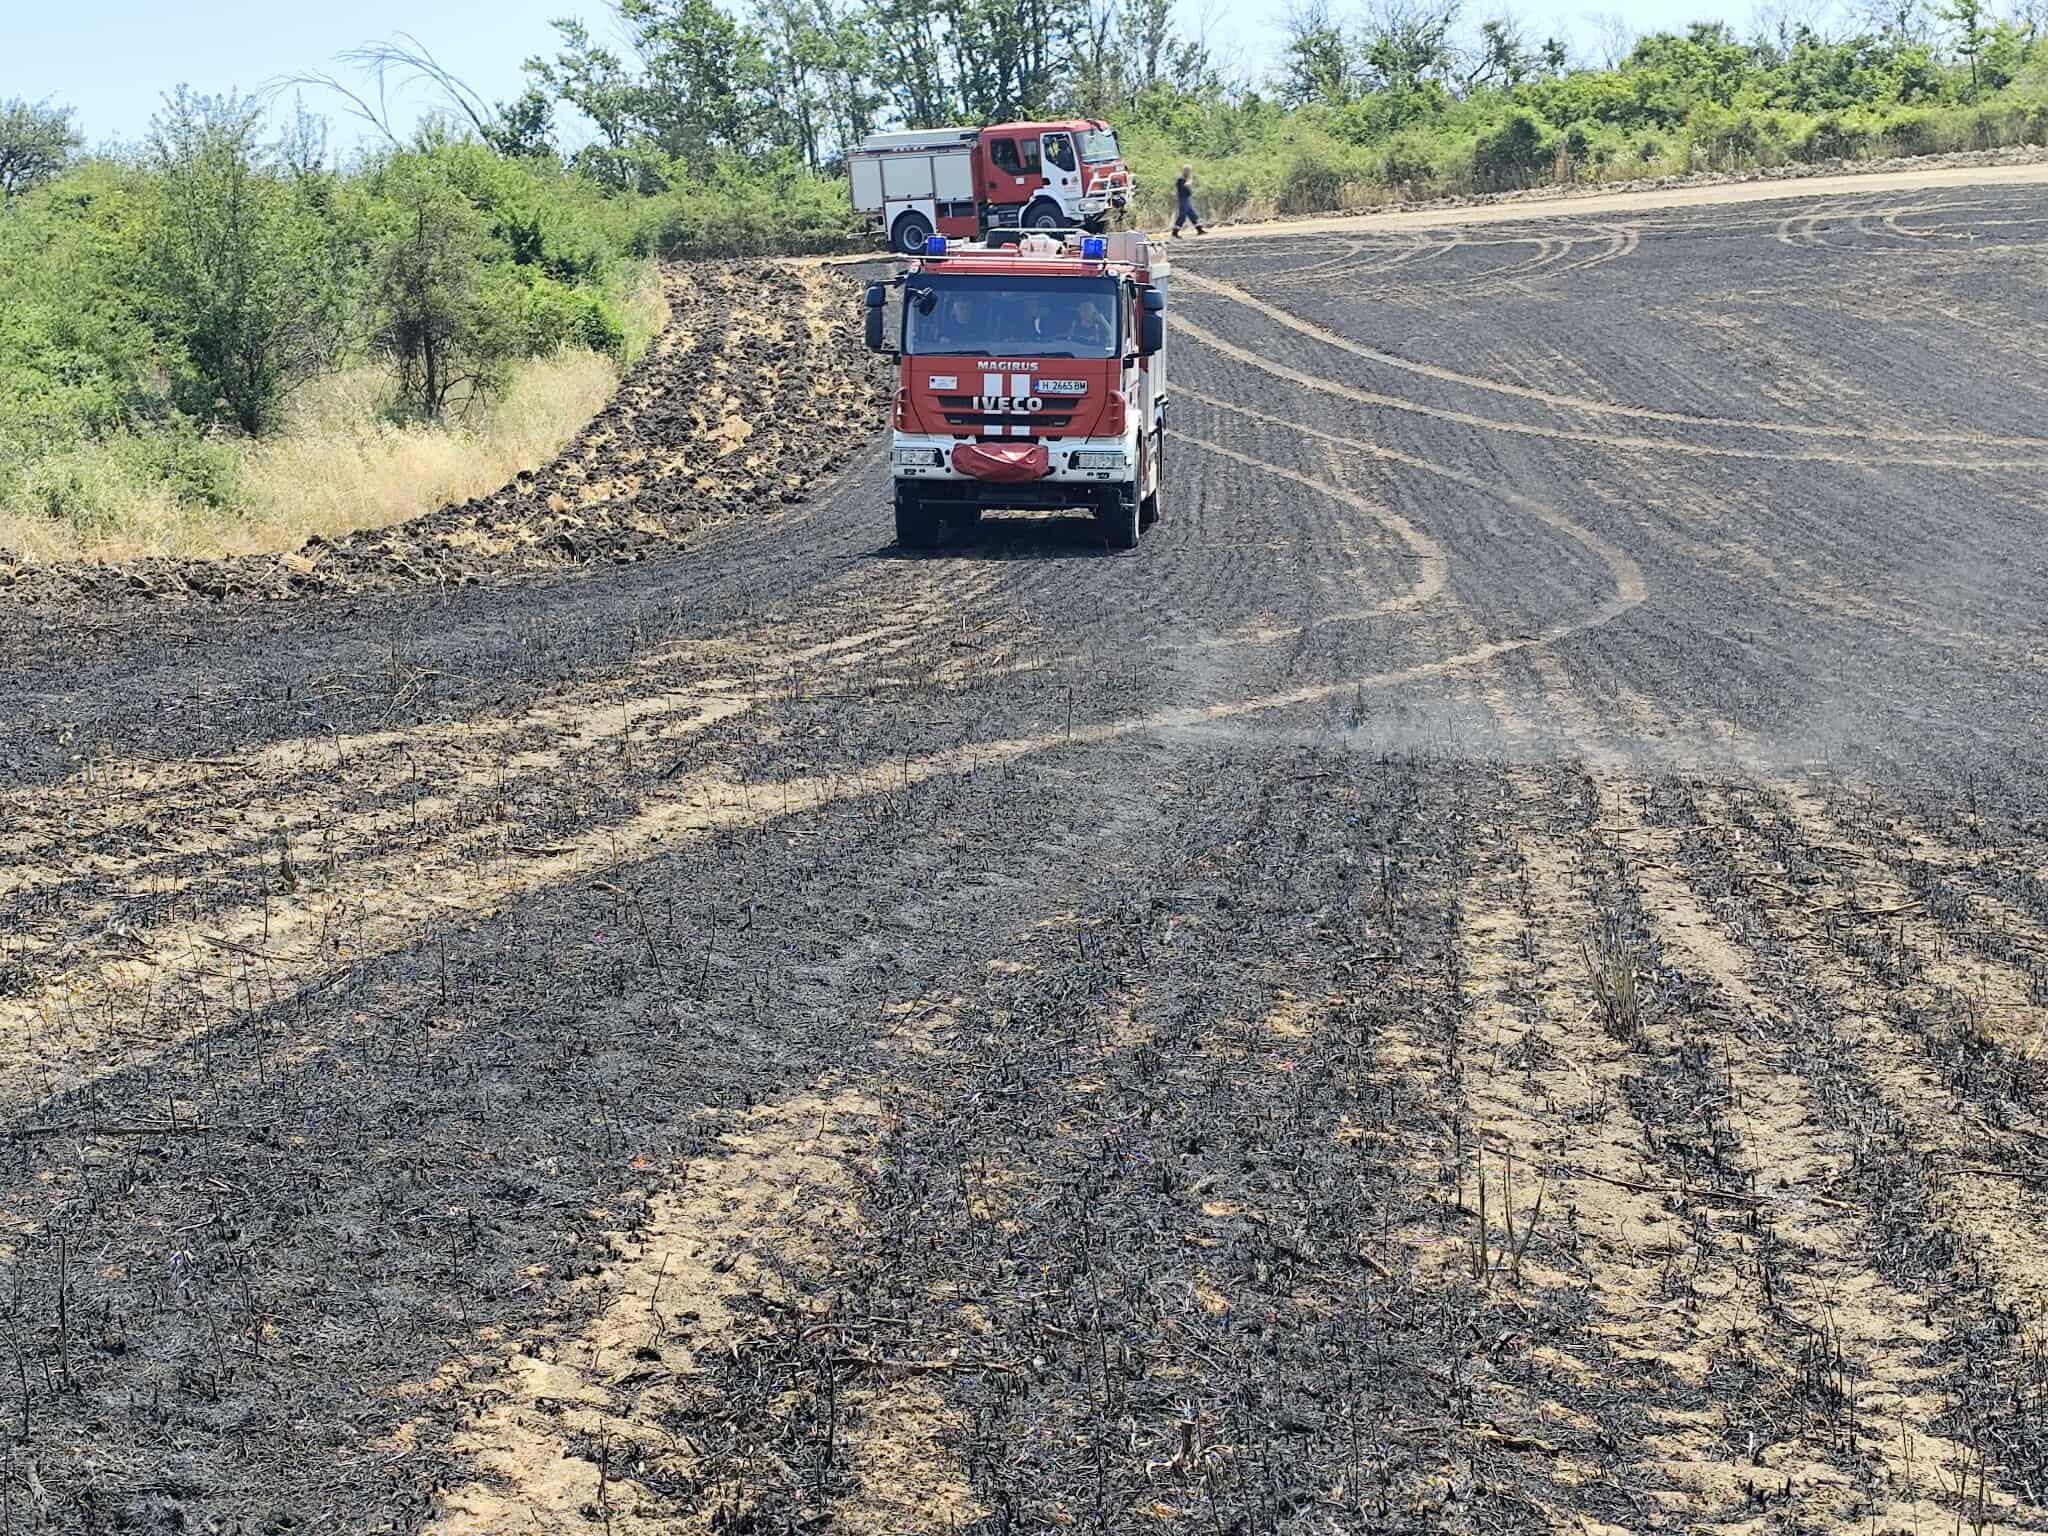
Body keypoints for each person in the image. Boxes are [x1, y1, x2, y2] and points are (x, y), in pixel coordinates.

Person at [1173, 164, 1206, 238]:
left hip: (1187, 199)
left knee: (1193, 214)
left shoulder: (1185, 178)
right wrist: (1190, 179)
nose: (1189, 172)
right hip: (1183, 199)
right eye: (1187, 170)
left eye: (1189, 171)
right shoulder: (1180, 179)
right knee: (1182, 216)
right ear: (1184, 171)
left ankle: (1199, 230)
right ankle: (1174, 233)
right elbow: (1187, 185)